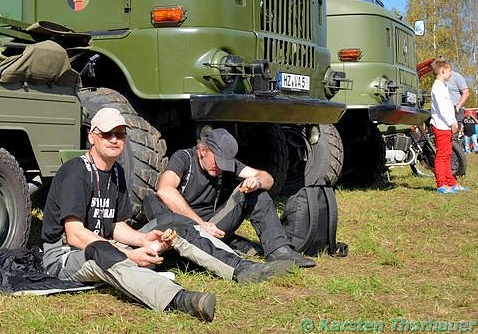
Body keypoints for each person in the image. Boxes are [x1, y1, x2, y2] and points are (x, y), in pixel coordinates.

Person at [40, 108, 294, 322]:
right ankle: (180, 299)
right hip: (65, 255)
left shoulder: (116, 173)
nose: (114, 140)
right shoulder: (76, 172)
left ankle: (242, 268)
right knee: (103, 253)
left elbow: (114, 225)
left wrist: (145, 239)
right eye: (107, 134)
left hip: (103, 243)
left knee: (175, 223)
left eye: (120, 134)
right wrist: (129, 254)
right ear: (92, 137)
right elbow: (75, 235)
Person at [148, 128, 316, 268]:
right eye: (217, 161)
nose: (221, 167)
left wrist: (256, 181)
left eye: (225, 163)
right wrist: (200, 224)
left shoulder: (227, 164)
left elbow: (268, 179)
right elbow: (165, 190)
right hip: (186, 226)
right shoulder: (184, 158)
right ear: (202, 150)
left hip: (215, 225)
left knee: (255, 192)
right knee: (151, 201)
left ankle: (279, 250)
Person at [430, 58, 468, 193]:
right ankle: (441, 184)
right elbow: (442, 108)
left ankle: (451, 182)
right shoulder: (437, 88)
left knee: (448, 154)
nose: (450, 75)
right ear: (442, 71)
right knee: (442, 155)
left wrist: (453, 121)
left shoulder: (443, 86)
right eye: (449, 72)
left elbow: (448, 107)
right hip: (441, 125)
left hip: (447, 125)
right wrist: (451, 122)